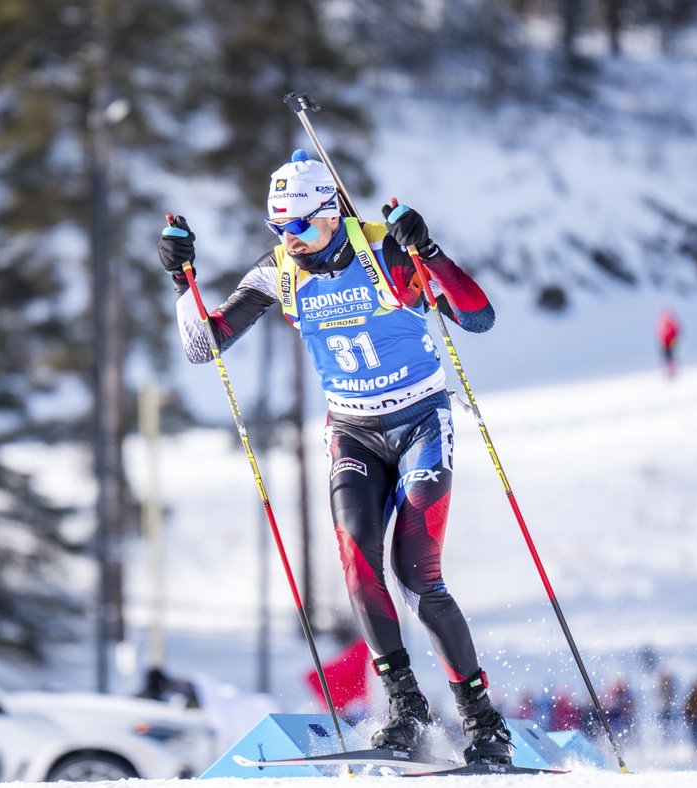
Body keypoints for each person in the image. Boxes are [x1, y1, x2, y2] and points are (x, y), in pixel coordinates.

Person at [158, 149, 509, 766]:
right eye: (277, 227)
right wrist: (182, 279)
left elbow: (477, 318)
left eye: (297, 224)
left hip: (421, 421)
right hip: (353, 432)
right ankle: (405, 708)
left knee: (418, 575)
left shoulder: (384, 253)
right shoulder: (278, 274)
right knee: (356, 559)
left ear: (330, 212)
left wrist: (428, 253)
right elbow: (201, 345)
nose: (287, 238)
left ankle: (482, 723)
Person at [656, 307, 681, 377]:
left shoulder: (668, 321)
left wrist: (674, 339)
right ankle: (669, 370)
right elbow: (660, 332)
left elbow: (674, 330)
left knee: (670, 356)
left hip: (669, 341)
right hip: (665, 342)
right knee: (667, 356)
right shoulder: (662, 321)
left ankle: (672, 370)